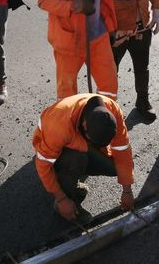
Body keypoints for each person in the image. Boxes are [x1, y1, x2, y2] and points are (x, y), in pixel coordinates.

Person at [32, 94, 134, 222]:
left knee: (115, 167)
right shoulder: (59, 125)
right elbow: (43, 165)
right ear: (85, 125)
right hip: (54, 150)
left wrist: (127, 191)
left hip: (81, 144)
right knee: (76, 159)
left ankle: (73, 177)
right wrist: (61, 199)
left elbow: (122, 149)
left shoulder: (113, 111)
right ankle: (66, 205)